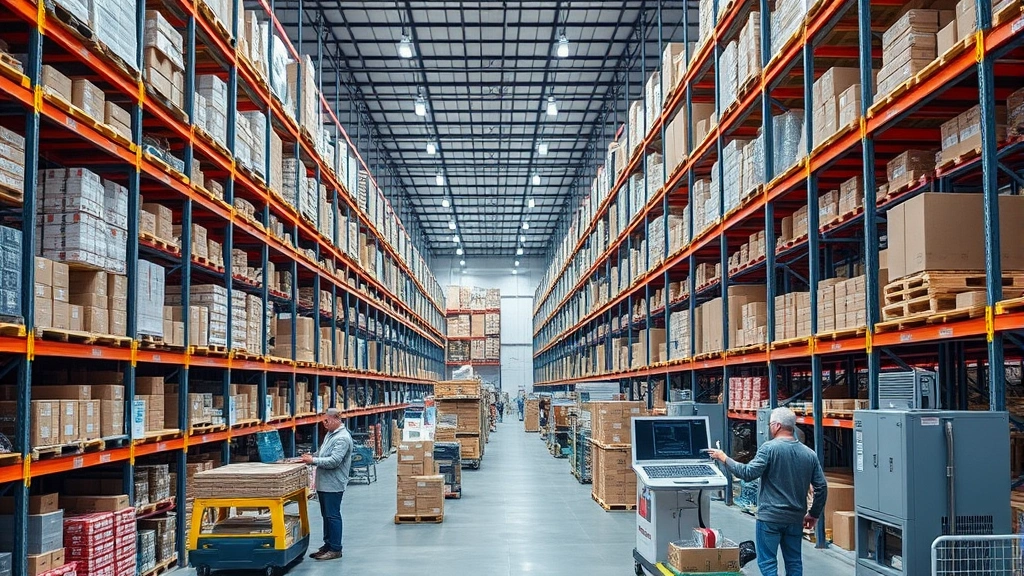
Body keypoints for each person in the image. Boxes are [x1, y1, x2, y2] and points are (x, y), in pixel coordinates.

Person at [707, 407, 827, 576]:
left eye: (770, 424)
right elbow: (821, 487)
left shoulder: (769, 449)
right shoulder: (809, 454)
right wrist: (813, 514)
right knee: (794, 562)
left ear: (777, 426)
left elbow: (747, 474)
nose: (770, 427)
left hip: (770, 518)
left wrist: (723, 457)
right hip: (795, 518)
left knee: (768, 563)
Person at [301, 408, 354, 561]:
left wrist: (313, 461)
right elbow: (322, 453)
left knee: (333, 515)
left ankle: (336, 549)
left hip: (334, 484)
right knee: (326, 516)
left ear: (336, 419)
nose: (324, 423)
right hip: (324, 483)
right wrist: (310, 456)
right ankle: (328, 545)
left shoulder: (342, 438)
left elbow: (334, 461)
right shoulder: (331, 435)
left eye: (327, 420)